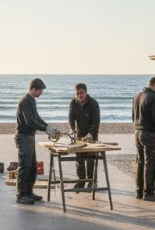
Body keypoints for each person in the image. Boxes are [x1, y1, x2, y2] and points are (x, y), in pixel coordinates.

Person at [15, 77, 58, 205]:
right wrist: (45, 129)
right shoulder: (25, 102)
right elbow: (30, 122)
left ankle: (29, 192)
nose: (41, 93)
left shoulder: (32, 101)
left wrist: (48, 127)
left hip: (30, 137)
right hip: (23, 137)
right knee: (25, 166)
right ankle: (21, 195)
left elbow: (37, 118)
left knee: (32, 166)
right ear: (33, 89)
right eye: (40, 91)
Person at [132, 76, 155, 201]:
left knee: (140, 162)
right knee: (151, 163)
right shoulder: (153, 98)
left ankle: (139, 191)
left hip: (137, 132)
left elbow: (133, 116)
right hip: (149, 133)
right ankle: (149, 193)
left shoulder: (137, 96)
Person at [68, 82, 100, 189]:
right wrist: (73, 130)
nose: (79, 95)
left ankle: (91, 181)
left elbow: (96, 122)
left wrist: (90, 134)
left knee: (91, 159)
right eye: (77, 93)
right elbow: (71, 118)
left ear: (86, 92)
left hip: (92, 134)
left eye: (82, 93)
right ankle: (81, 181)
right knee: (79, 159)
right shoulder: (73, 102)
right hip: (79, 133)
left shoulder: (93, 103)